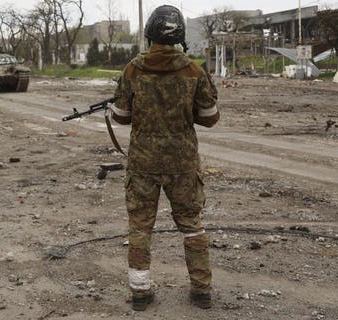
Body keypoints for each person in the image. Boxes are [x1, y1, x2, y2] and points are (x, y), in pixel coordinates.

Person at [111, 5, 220, 311]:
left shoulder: (133, 68)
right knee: (193, 226)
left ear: (149, 34)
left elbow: (120, 116)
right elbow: (210, 117)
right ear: (180, 35)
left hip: (143, 164)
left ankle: (141, 293)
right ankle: (202, 291)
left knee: (140, 228)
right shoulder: (194, 70)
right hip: (183, 164)